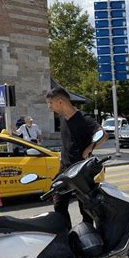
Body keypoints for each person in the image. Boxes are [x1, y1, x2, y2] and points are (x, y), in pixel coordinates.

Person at [46, 87, 108, 228]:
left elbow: (103, 135)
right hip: (64, 170)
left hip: (81, 172)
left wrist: (89, 148)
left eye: (51, 103)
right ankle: (65, 234)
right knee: (59, 205)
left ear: (60, 102)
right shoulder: (62, 118)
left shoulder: (84, 119)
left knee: (85, 208)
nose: (49, 107)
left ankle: (89, 235)